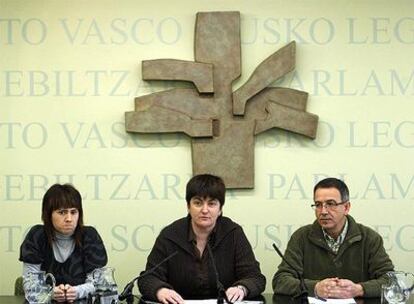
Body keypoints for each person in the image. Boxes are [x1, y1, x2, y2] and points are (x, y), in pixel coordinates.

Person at [138, 174, 266, 304]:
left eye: (211, 204)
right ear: (188, 206)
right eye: (198, 203)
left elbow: (255, 277)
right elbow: (147, 278)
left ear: (220, 209)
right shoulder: (170, 235)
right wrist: (160, 291)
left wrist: (242, 288)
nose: (205, 210)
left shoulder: (233, 233)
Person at [272, 177, 394, 299]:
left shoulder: (369, 238)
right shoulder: (301, 237)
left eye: (331, 204)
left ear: (346, 207)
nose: (323, 211)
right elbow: (280, 281)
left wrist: (358, 289)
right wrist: (314, 288)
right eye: (318, 205)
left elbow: (390, 280)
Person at [19, 183, 108, 302]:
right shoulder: (37, 235)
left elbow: (99, 283)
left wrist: (77, 291)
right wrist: (50, 293)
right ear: (48, 214)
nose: (69, 219)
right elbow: (30, 284)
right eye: (62, 212)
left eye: (73, 212)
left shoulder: (89, 236)